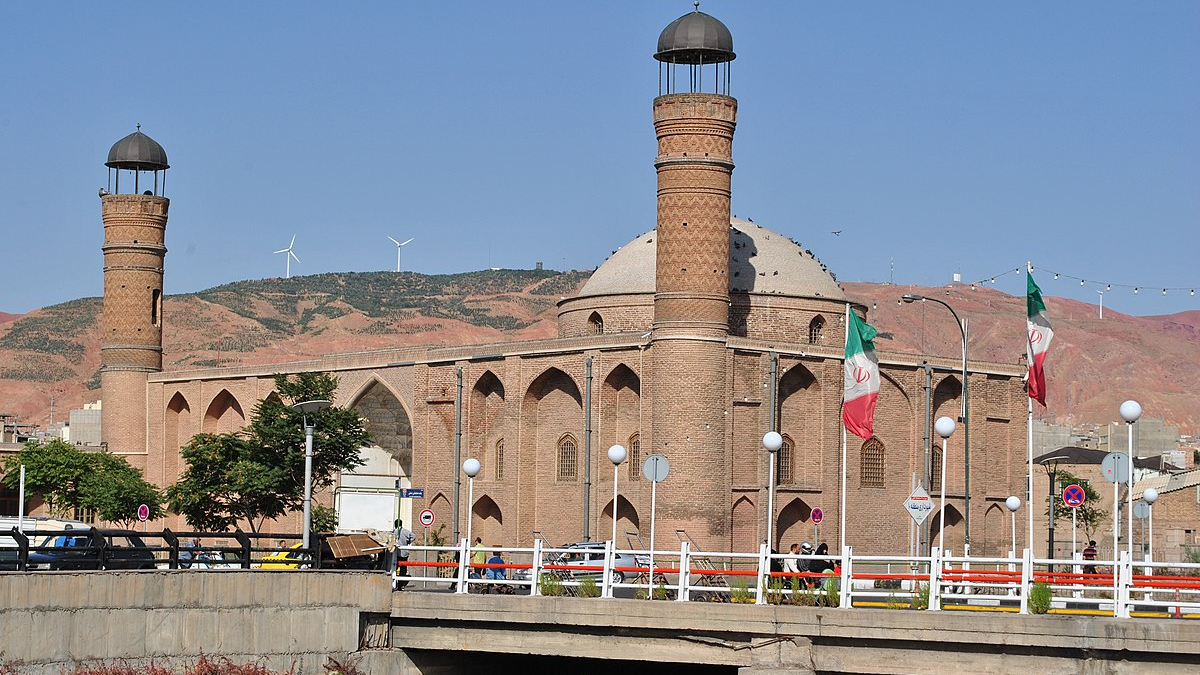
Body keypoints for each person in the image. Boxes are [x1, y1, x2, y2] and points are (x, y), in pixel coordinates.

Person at [393, 519, 416, 590]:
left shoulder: (394, 532)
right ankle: (401, 585)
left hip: (396, 554)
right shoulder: (406, 532)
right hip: (404, 553)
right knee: (403, 570)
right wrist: (408, 541)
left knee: (394, 568)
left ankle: (394, 583)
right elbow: (413, 536)